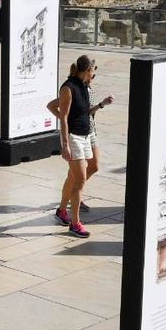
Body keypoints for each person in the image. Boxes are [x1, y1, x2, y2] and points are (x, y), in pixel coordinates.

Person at [46, 54, 114, 238]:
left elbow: (84, 112)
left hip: (86, 134)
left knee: (79, 175)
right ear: (88, 70)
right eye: (93, 70)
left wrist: (101, 105)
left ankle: (62, 211)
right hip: (74, 137)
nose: (94, 74)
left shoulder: (84, 86)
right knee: (80, 180)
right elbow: (64, 116)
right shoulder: (69, 88)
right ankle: (75, 223)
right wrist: (65, 144)